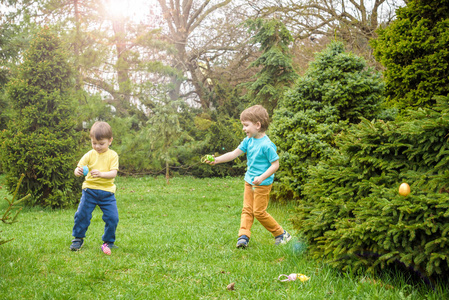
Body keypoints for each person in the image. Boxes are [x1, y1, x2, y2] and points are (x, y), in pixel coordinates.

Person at [206, 105, 291, 248]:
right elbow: (234, 154)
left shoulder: (267, 145)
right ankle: (243, 236)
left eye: (246, 125)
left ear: (258, 125)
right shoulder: (248, 141)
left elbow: (275, 165)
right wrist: (216, 160)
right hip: (249, 181)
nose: (243, 129)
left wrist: (262, 177)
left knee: (258, 212)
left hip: (262, 184)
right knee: (247, 209)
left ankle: (281, 234)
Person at [70, 121, 119, 255]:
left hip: (107, 193)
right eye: (94, 143)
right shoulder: (89, 155)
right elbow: (77, 168)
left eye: (101, 143)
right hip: (89, 191)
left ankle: (108, 242)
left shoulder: (113, 155)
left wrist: (101, 174)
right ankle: (78, 238)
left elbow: (113, 173)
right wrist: (77, 171)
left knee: (113, 218)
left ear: (110, 141)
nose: (97, 146)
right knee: (82, 215)